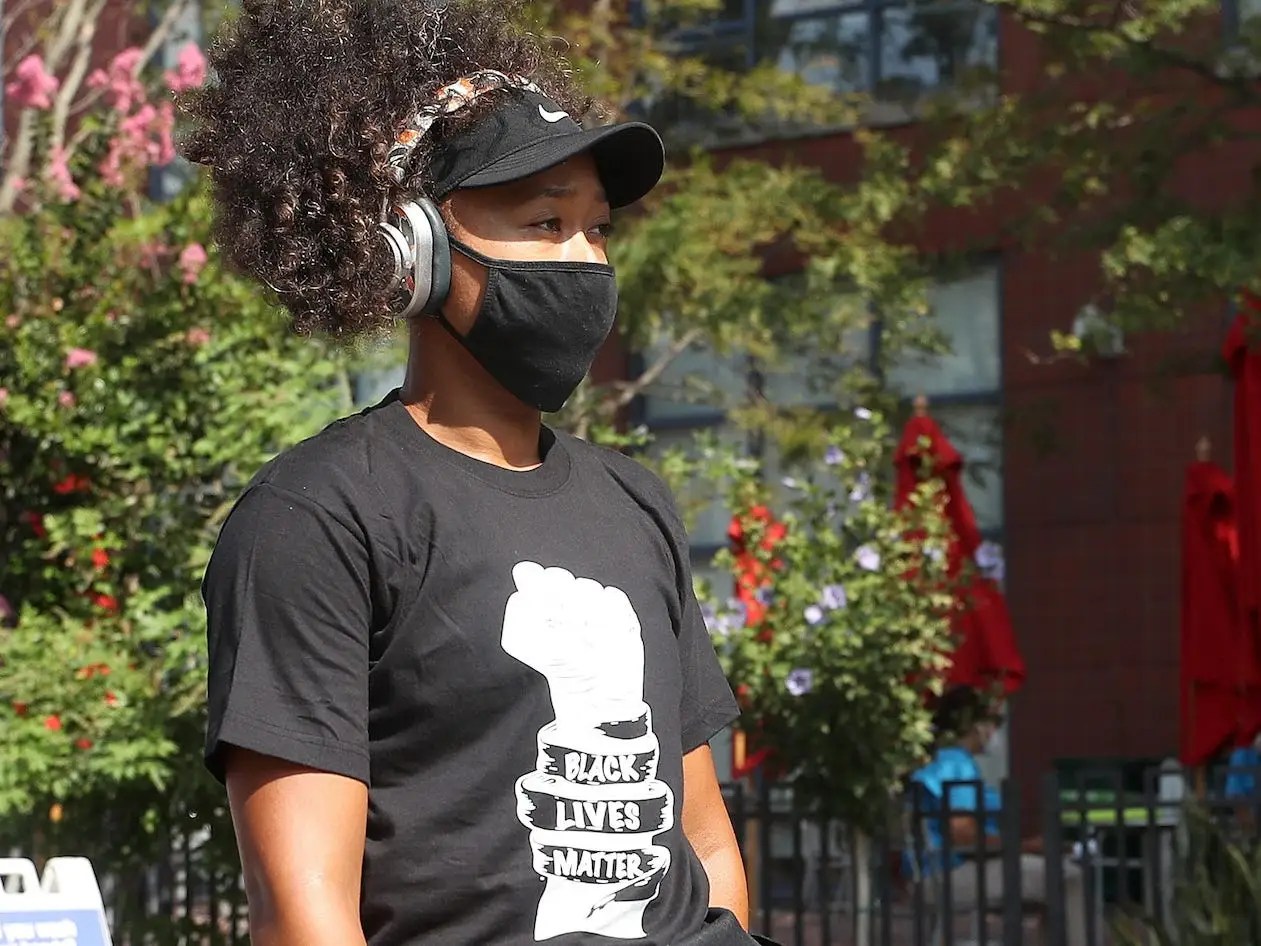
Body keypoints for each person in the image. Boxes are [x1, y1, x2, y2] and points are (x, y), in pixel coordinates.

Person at [181, 2, 761, 944]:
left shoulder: (635, 503)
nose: (583, 261)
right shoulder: (317, 515)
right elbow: (303, 911)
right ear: (411, 250)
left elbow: (703, 842)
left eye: (597, 230)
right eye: (544, 222)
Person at [909, 686, 1087, 946]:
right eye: (994, 721)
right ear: (973, 725)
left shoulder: (946, 759)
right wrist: (1025, 847)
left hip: (950, 868)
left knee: (1051, 875)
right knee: (1067, 877)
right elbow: (962, 835)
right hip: (948, 873)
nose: (996, 730)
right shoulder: (954, 764)